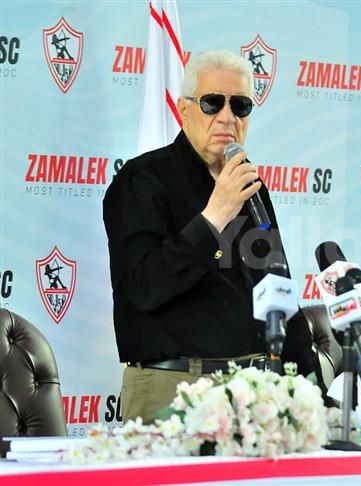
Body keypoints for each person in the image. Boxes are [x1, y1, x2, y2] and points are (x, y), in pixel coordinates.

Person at [103, 51, 317, 424]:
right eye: (212, 102)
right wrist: (214, 217)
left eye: (241, 105)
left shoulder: (249, 186)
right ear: (184, 111)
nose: (227, 117)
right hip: (174, 389)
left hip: (254, 392)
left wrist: (316, 390)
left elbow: (276, 287)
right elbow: (144, 288)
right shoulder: (142, 180)